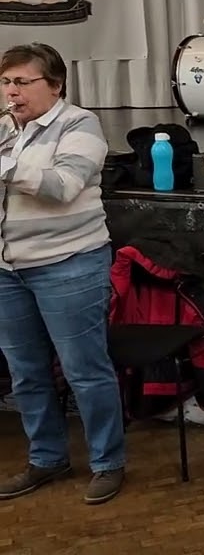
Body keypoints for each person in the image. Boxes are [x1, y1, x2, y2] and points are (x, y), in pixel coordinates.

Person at [0, 43, 126, 505]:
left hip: (68, 265)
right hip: (7, 269)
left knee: (85, 372)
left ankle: (108, 463)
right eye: (6, 81)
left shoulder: (81, 125)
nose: (12, 92)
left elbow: (62, 186)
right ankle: (47, 457)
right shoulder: (3, 130)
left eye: (22, 82)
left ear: (54, 86)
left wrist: (5, 166)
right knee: (26, 373)